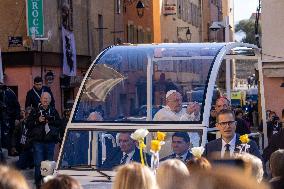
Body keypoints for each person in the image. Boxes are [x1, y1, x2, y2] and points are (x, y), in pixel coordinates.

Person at [27, 92, 61, 188]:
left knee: (49, 164)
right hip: (38, 142)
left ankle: (48, 184)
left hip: (50, 141)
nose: (46, 100)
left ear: (50, 100)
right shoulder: (35, 111)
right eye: (44, 98)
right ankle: (38, 184)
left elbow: (59, 124)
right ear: (41, 100)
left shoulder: (53, 111)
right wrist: (37, 120)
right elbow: (28, 124)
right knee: (38, 163)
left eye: (48, 98)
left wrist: (51, 120)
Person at [188, 166, 270, 189]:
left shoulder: (250, 144)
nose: (227, 126)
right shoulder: (210, 146)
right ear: (217, 126)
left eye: (230, 122)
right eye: (223, 123)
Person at [0, 81, 21, 155]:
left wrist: (17, 118)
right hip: (3, 118)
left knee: (10, 135)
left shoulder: (10, 93)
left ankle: (9, 151)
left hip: (10, 117)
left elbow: (17, 106)